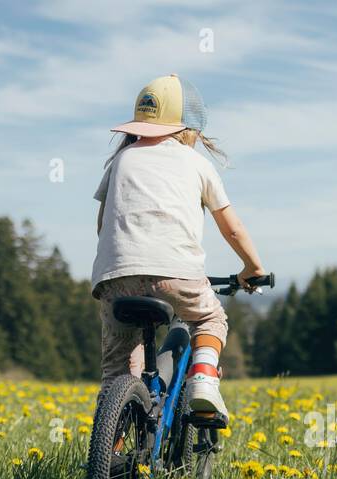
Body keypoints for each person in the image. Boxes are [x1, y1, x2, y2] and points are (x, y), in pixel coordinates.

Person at [91, 74, 265, 418]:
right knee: (211, 319)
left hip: (114, 277)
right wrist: (253, 268)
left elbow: (102, 225)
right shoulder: (197, 164)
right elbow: (232, 229)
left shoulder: (121, 161)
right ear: (189, 131)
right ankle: (203, 378)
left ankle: (110, 448)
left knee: (117, 372)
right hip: (178, 275)